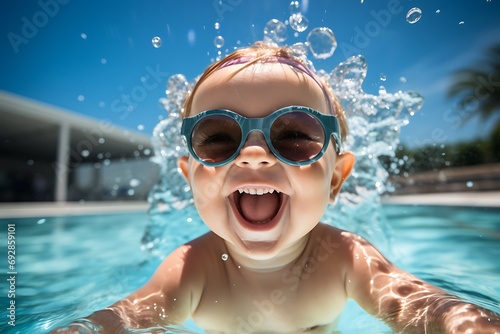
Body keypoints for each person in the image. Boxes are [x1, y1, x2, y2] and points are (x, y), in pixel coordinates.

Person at [52, 42, 500, 334]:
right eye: (219, 137)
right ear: (190, 179)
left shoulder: (346, 258)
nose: (253, 154)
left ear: (337, 180)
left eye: (295, 135)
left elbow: (427, 310)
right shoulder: (193, 268)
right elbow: (121, 321)